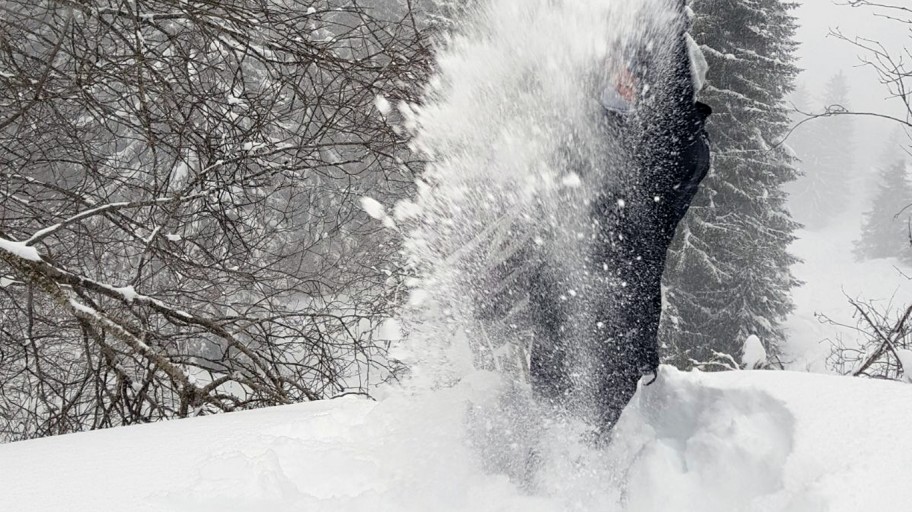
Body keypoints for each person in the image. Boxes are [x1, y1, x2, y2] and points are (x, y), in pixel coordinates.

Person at [475, 0, 712, 434]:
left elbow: (670, 100)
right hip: (561, 336)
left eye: (635, 70)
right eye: (615, 67)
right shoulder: (591, 138)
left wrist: (664, 19)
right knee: (548, 439)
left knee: (584, 443)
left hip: (612, 342)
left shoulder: (668, 154)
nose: (621, 79)